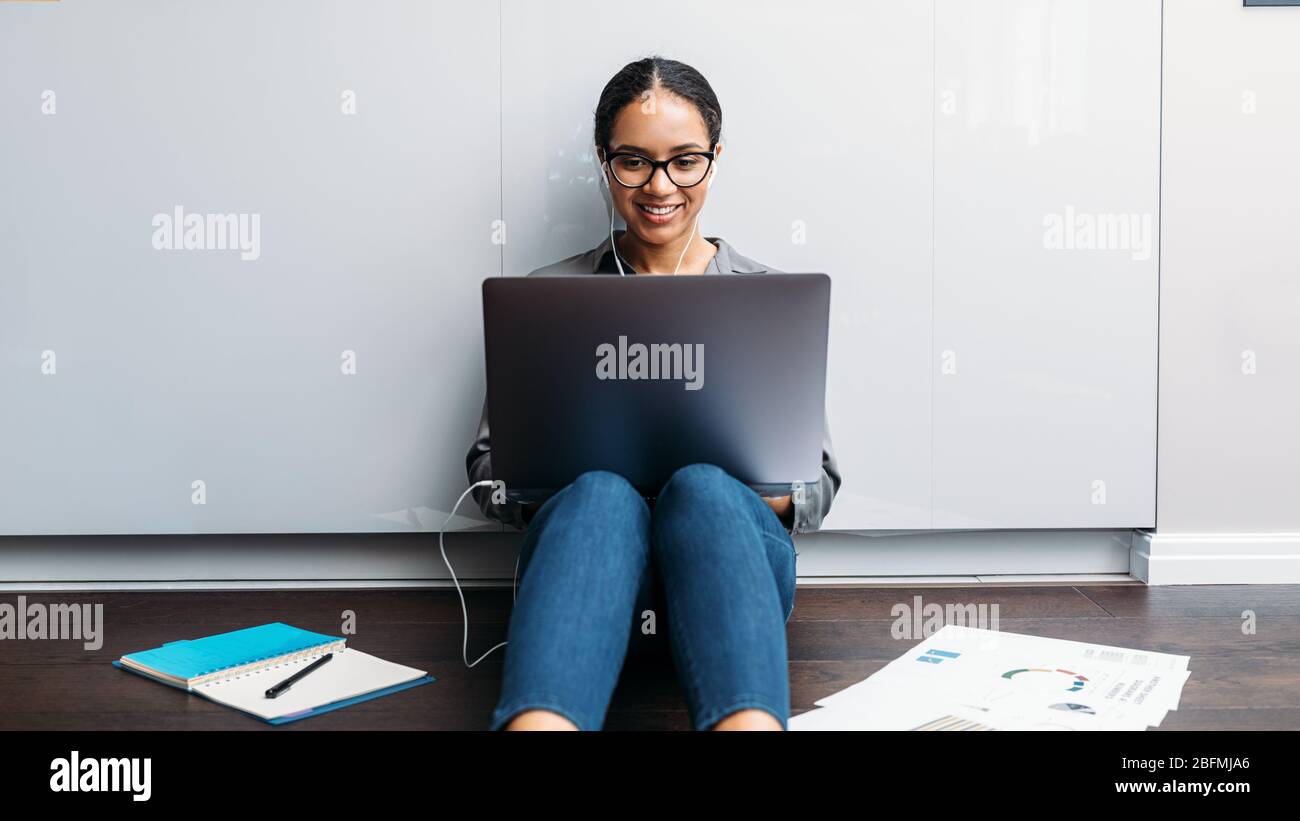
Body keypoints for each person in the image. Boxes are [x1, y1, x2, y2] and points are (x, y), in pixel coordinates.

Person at [465, 56, 840, 731]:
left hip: (733, 581)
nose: (659, 185)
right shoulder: (549, 296)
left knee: (700, 486)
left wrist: (755, 480)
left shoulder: (765, 298)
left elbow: (820, 484)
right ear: (603, 161)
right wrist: (555, 476)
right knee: (603, 493)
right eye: (633, 161)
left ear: (715, 158)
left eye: (684, 161)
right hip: (591, 580)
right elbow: (488, 471)